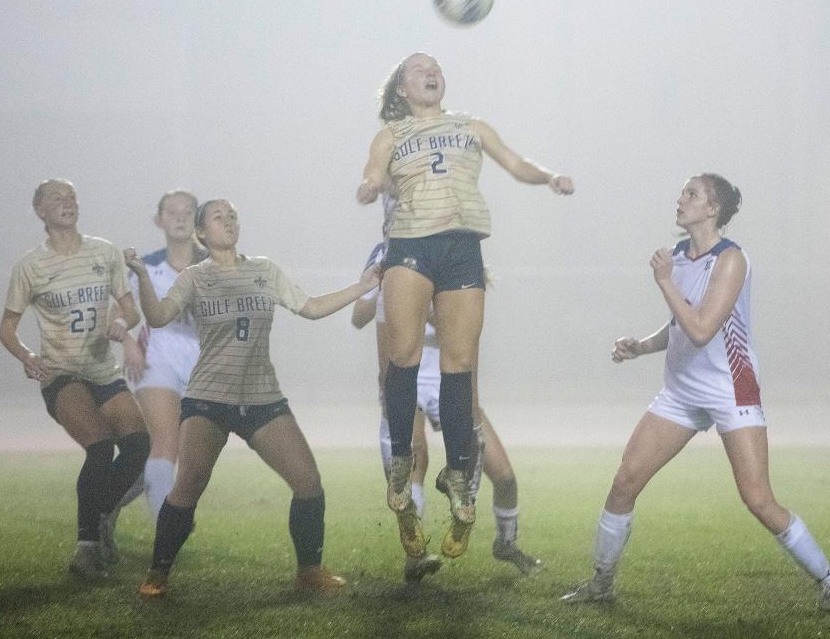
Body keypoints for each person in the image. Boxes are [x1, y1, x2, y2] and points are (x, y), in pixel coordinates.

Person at [561, 174, 830, 611]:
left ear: (713, 209)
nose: (682, 199)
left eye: (692, 194)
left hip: (732, 388)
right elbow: (681, 324)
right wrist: (641, 346)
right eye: (682, 192)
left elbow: (701, 329)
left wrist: (664, 282)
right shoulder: (679, 254)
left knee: (758, 499)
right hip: (680, 392)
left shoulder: (730, 260)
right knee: (625, 481)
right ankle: (600, 585)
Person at [356, 52, 574, 563]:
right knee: (404, 357)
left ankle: (458, 478)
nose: (430, 72)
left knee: (460, 365)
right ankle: (402, 463)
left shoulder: (470, 126)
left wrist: (548, 177)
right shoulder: (392, 134)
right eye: (418, 68)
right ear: (402, 89)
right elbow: (371, 173)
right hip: (412, 243)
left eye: (435, 66)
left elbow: (516, 163)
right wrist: (370, 185)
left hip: (462, 246)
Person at [127, 199, 381, 598]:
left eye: (233, 216)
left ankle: (309, 571)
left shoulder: (264, 270)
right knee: (188, 484)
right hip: (209, 398)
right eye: (218, 217)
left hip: (262, 397)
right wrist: (142, 275)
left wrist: (362, 287)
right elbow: (158, 317)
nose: (228, 222)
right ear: (201, 234)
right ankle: (157, 574)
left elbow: (310, 307)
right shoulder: (195, 277)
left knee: (308, 482)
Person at [353, 243, 543, 581]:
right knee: (415, 460)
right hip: (406, 377)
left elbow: (467, 340)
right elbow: (360, 316)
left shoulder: (457, 250)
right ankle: (415, 557)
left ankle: (507, 543)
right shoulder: (389, 251)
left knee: (504, 475)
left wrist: (473, 398)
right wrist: (387, 289)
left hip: (449, 379)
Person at [0, 179, 151, 579]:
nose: (66, 203)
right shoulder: (30, 266)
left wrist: (122, 323)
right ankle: (86, 550)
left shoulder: (105, 251)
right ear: (41, 212)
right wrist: (27, 355)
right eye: (56, 199)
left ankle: (101, 515)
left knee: (139, 446)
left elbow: (131, 311)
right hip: (61, 372)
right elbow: (7, 329)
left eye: (72, 198)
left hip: (103, 370)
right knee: (100, 448)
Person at [114, 190, 205, 524]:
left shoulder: (213, 264)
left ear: (198, 218)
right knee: (165, 441)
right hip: (157, 360)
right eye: (173, 211)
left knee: (187, 455)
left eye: (188, 211)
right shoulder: (146, 267)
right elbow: (120, 314)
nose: (180, 218)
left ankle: (108, 502)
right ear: (159, 220)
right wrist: (127, 341)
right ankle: (165, 528)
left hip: (203, 365)